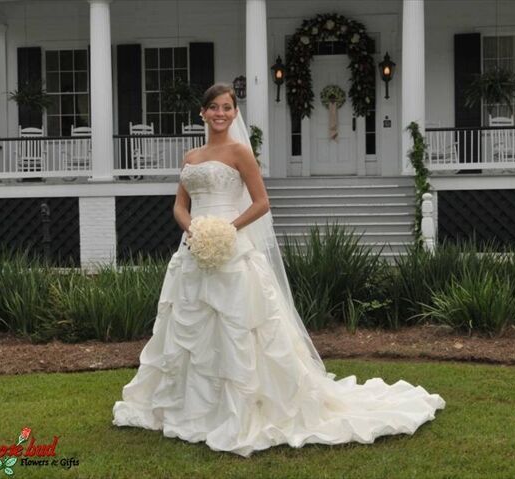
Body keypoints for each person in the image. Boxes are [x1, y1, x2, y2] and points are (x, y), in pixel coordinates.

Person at [112, 83, 445, 457]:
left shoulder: (240, 152)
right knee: (190, 330)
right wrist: (193, 229)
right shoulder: (190, 156)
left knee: (239, 326)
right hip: (194, 248)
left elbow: (261, 203)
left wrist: (226, 229)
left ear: (234, 114)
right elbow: (179, 205)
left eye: (227, 108)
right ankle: (191, 405)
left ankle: (244, 407)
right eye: (214, 108)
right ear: (202, 113)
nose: (220, 113)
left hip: (231, 245)